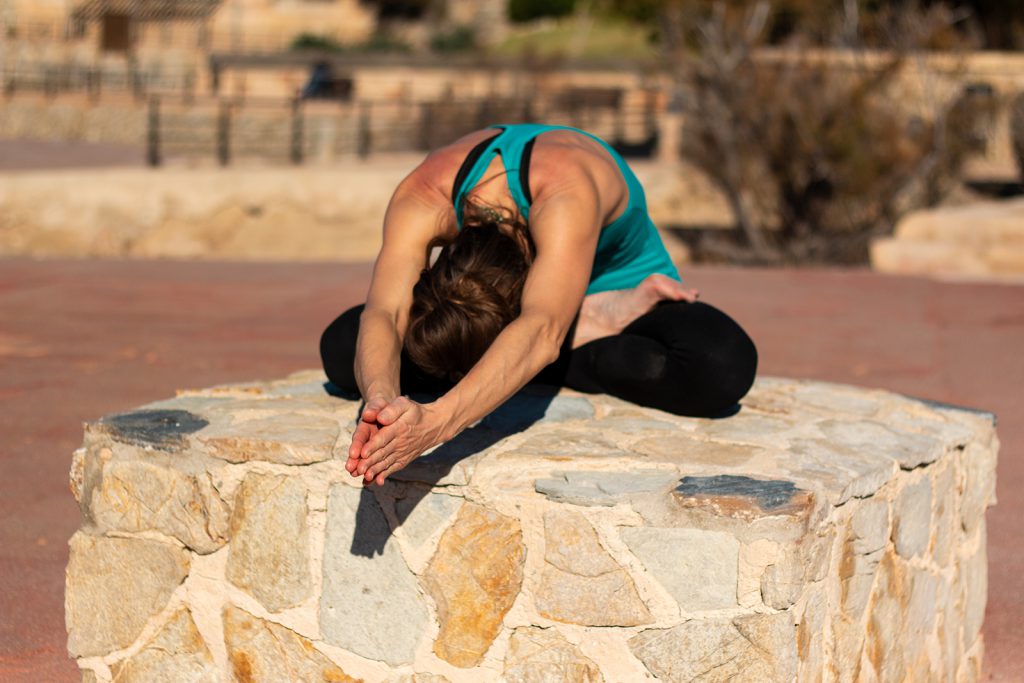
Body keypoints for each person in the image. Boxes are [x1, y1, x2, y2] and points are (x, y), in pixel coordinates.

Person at [320, 123, 757, 486]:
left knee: (718, 363)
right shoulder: (425, 195)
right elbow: (384, 311)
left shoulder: (564, 191)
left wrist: (437, 421)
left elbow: (542, 325)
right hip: (503, 311)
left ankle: (589, 317)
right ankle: (564, 335)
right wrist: (380, 402)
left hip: (602, 293)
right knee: (344, 346)